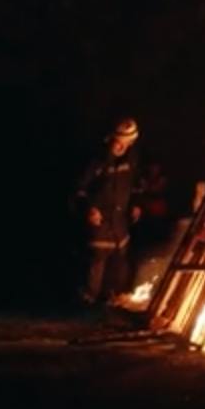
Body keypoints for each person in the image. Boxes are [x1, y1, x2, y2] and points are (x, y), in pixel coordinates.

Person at [73, 118, 141, 306]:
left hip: (119, 224)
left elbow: (134, 187)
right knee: (97, 261)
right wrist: (89, 209)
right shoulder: (96, 162)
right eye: (118, 142)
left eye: (126, 143)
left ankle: (112, 299)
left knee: (119, 262)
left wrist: (135, 204)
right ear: (110, 139)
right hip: (100, 223)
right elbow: (79, 190)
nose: (121, 147)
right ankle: (87, 301)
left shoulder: (130, 162)